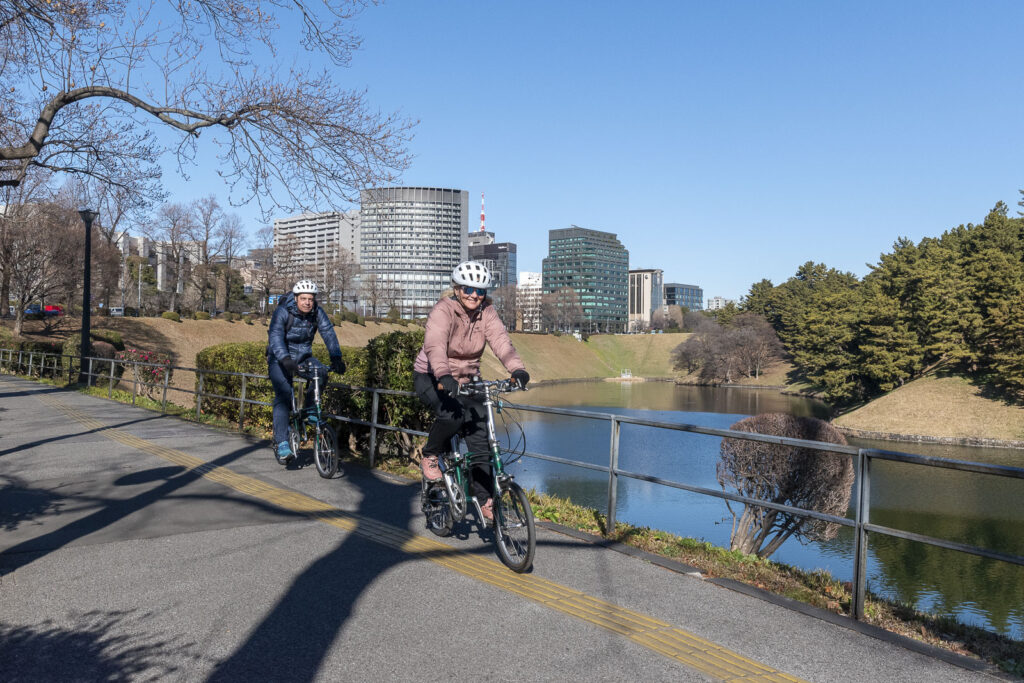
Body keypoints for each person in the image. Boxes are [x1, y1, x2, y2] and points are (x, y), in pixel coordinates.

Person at [413, 260, 530, 521]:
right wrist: (443, 374)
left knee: (481, 440)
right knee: (452, 416)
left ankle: (485, 498)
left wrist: (517, 370)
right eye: (468, 289)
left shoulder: (487, 312)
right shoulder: (443, 310)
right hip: (432, 374)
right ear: (456, 288)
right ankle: (431, 455)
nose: (474, 295)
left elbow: (501, 341)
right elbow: (434, 345)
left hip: (467, 379)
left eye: (480, 291)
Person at [267, 280, 346, 463]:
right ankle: (281, 442)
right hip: (279, 359)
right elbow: (276, 336)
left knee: (322, 372)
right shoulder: (282, 312)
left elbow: (328, 333)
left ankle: (310, 407)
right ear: (296, 298)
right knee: (284, 396)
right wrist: (285, 359)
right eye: (303, 299)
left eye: (310, 299)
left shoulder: (317, 312)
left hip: (303, 358)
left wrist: (336, 358)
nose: (307, 303)